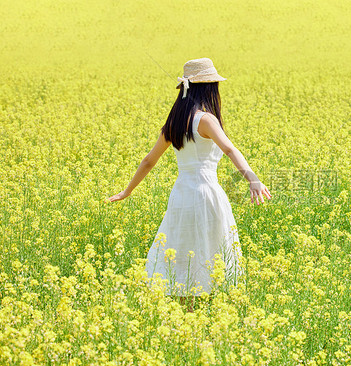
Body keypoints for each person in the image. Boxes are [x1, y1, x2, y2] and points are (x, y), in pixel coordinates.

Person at [106, 58, 272, 311]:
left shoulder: (174, 123)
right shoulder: (206, 119)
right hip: (206, 194)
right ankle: (207, 315)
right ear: (208, 88)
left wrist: (127, 191)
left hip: (182, 195)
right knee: (209, 250)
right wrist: (253, 179)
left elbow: (149, 160)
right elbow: (229, 149)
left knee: (183, 250)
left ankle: (188, 313)